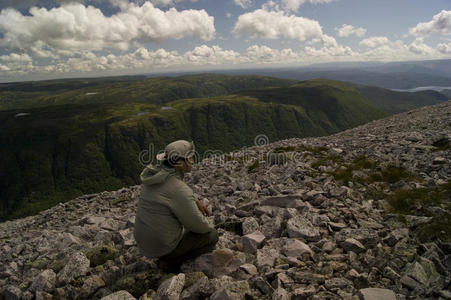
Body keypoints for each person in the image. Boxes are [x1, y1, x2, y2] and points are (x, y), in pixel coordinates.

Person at [134, 140, 218, 272]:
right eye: (189, 158)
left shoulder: (154, 177)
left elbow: (168, 195)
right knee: (212, 235)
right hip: (163, 249)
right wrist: (210, 224)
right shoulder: (179, 189)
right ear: (179, 163)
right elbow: (199, 227)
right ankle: (172, 262)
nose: (193, 161)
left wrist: (194, 201)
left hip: (144, 245)